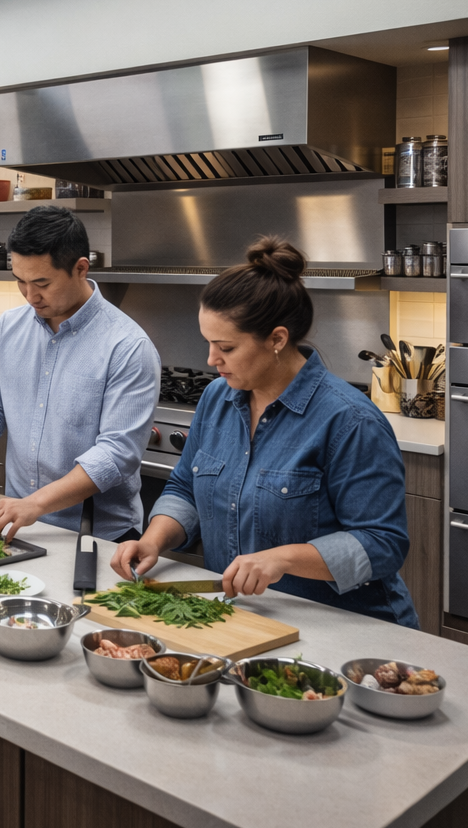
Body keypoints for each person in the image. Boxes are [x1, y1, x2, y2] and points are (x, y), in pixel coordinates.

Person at [110, 236, 418, 627]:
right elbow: (185, 488)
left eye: (226, 347)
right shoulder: (217, 398)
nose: (211, 359)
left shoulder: (350, 422)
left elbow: (383, 544)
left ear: (277, 339)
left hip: (344, 628)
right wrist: (153, 539)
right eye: (208, 343)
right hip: (247, 620)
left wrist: (282, 559)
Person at [0, 206, 160, 543]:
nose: (29, 295)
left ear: (81, 268)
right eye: (20, 281)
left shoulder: (128, 346)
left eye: (42, 283)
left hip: (98, 536)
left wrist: (34, 504)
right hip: (21, 525)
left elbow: (114, 456)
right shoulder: (9, 327)